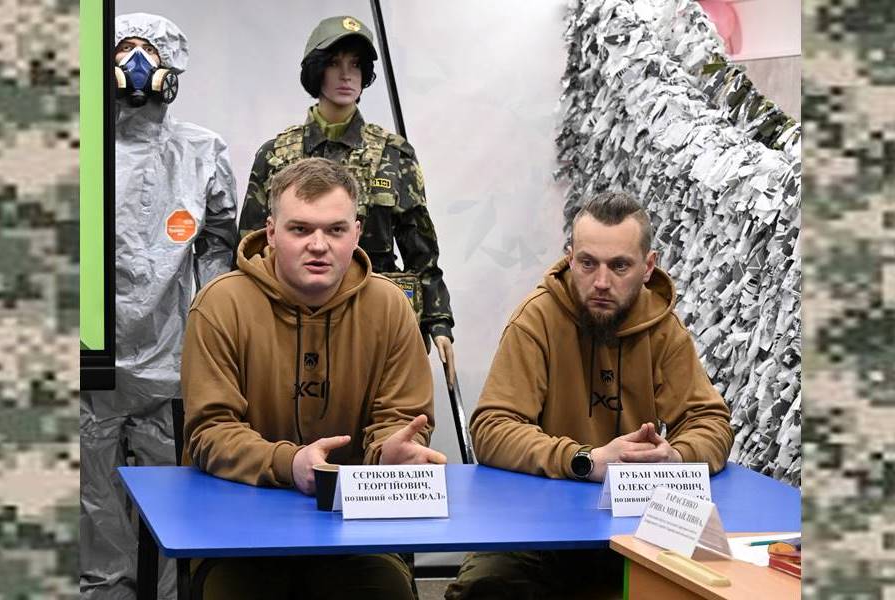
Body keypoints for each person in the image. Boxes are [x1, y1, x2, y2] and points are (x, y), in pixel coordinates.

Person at [446, 192, 734, 599]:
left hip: (635, 526)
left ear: (648, 267)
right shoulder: (536, 319)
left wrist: (676, 459)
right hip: (534, 526)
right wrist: (586, 460)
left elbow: (710, 422)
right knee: (482, 589)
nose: (601, 282)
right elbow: (492, 429)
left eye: (619, 266)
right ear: (569, 258)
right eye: (587, 263)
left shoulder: (663, 329)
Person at [182, 157, 446, 599]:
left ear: (356, 234)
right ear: (271, 233)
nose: (318, 245)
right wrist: (291, 464)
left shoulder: (391, 308)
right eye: (300, 229)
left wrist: (389, 454)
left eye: (335, 230)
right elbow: (210, 431)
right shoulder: (219, 306)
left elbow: (399, 420)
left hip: (355, 529)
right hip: (237, 530)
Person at [80, 13, 238, 599]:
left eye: (149, 51)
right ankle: (105, 589)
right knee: (93, 497)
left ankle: (169, 592)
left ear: (173, 66)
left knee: (173, 495)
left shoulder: (201, 151)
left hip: (170, 359)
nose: (136, 65)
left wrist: (211, 332)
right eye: (124, 50)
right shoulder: (77, 149)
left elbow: (220, 248)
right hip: (91, 358)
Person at [238, 15, 457, 378]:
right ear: (316, 70)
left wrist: (438, 321)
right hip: (292, 317)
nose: (346, 76)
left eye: (356, 65)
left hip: (375, 316)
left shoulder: (393, 154)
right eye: (334, 63)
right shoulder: (276, 155)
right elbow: (250, 247)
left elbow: (420, 247)